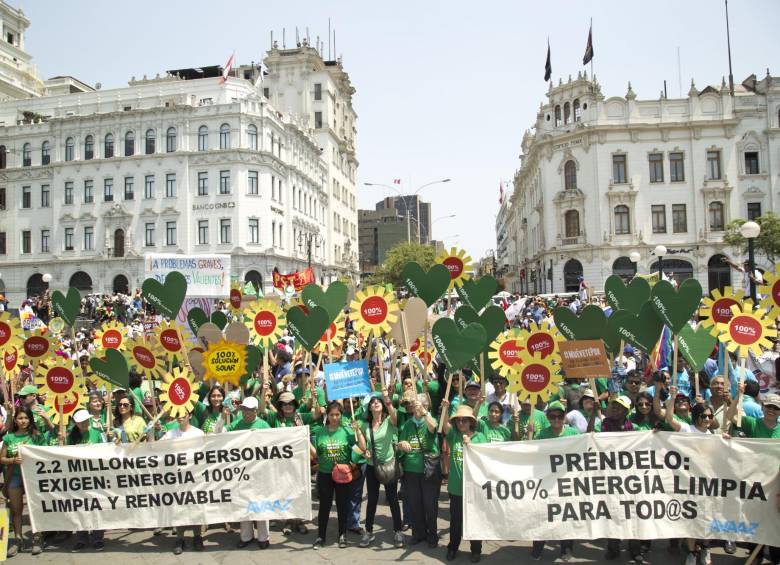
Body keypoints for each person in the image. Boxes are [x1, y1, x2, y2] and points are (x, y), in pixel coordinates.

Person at [311, 401, 363, 549]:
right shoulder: (320, 432)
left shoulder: (347, 431)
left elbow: (361, 448)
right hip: (325, 474)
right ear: (327, 415)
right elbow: (317, 455)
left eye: (337, 414)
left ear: (341, 415)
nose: (334, 417)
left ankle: (342, 535)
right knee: (324, 506)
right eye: (331, 414)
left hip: (343, 474)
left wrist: (357, 431)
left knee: (342, 505)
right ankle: (321, 536)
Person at [356, 390, 403, 548]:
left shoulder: (389, 420)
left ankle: (398, 531)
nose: (375, 403)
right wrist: (365, 449)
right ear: (369, 408)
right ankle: (368, 532)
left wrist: (388, 400)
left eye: (378, 401)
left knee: (392, 499)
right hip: (372, 467)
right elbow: (363, 446)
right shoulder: (364, 424)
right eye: (372, 402)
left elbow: (396, 418)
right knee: (372, 500)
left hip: (389, 465)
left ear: (382, 406)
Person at [531, 401, 577, 560]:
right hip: (547, 483)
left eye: (560, 416)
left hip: (567, 483)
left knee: (566, 516)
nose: (556, 419)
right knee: (543, 515)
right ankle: (538, 546)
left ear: (565, 416)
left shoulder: (573, 433)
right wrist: (530, 437)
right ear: (548, 417)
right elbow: (532, 454)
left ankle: (566, 549)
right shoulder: (542, 434)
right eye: (552, 416)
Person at [441, 402, 486, 563]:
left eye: (465, 420)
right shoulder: (453, 435)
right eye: (458, 420)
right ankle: (453, 547)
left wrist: (471, 445)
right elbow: (445, 425)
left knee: (475, 519)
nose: (461, 423)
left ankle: (476, 550)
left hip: (474, 489)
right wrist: (445, 409)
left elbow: (485, 459)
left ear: (471, 422)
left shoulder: (480, 437)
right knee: (456, 521)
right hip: (456, 488)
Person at [227, 396, 272, 549]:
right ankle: (246, 536)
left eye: (250, 410)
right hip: (242, 470)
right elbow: (221, 432)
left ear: (255, 411)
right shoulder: (237, 423)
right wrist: (222, 417)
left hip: (259, 470)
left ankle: (263, 537)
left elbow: (272, 444)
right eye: (245, 410)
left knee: (260, 502)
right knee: (244, 501)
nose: (247, 413)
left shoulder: (263, 425)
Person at [398, 393, 440, 548]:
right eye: (415, 405)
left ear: (426, 406)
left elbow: (433, 427)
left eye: (420, 405)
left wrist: (424, 412)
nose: (416, 408)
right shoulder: (408, 424)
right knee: (415, 503)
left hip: (428, 469)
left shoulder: (430, 419)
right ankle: (418, 533)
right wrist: (402, 444)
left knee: (430, 505)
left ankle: (432, 535)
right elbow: (401, 442)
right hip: (411, 470)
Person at [1, 407, 44, 556]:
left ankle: (37, 539)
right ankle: (18, 540)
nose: (23, 421)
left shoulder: (37, 436)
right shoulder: (9, 437)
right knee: (16, 510)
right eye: (20, 418)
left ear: (30, 419)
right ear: (15, 420)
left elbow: (46, 454)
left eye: (26, 418)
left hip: (34, 476)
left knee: (35, 509)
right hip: (15, 477)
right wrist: (13, 460)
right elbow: (2, 458)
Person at [161, 410, 205, 554]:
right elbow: (154, 448)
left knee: (196, 508)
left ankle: (197, 537)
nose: (180, 416)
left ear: (190, 416)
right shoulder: (170, 433)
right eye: (177, 413)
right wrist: (150, 432)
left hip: (195, 478)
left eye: (183, 414)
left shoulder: (198, 433)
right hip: (176, 479)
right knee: (179, 509)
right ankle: (180, 538)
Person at [69, 409, 107, 552]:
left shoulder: (98, 433)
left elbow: (106, 451)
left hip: (96, 478)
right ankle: (81, 539)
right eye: (80, 422)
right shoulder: (71, 437)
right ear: (76, 423)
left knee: (97, 507)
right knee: (80, 508)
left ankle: (97, 538)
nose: (84, 423)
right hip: (78, 479)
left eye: (85, 420)